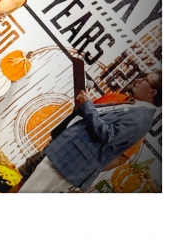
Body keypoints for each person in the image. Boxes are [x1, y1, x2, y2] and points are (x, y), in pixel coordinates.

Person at [18, 70, 162, 193]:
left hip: (69, 162)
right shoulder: (134, 107)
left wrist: (88, 106)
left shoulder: (141, 118)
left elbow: (108, 135)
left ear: (152, 92)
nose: (138, 80)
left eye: (145, 79)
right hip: (64, 153)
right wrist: (84, 104)